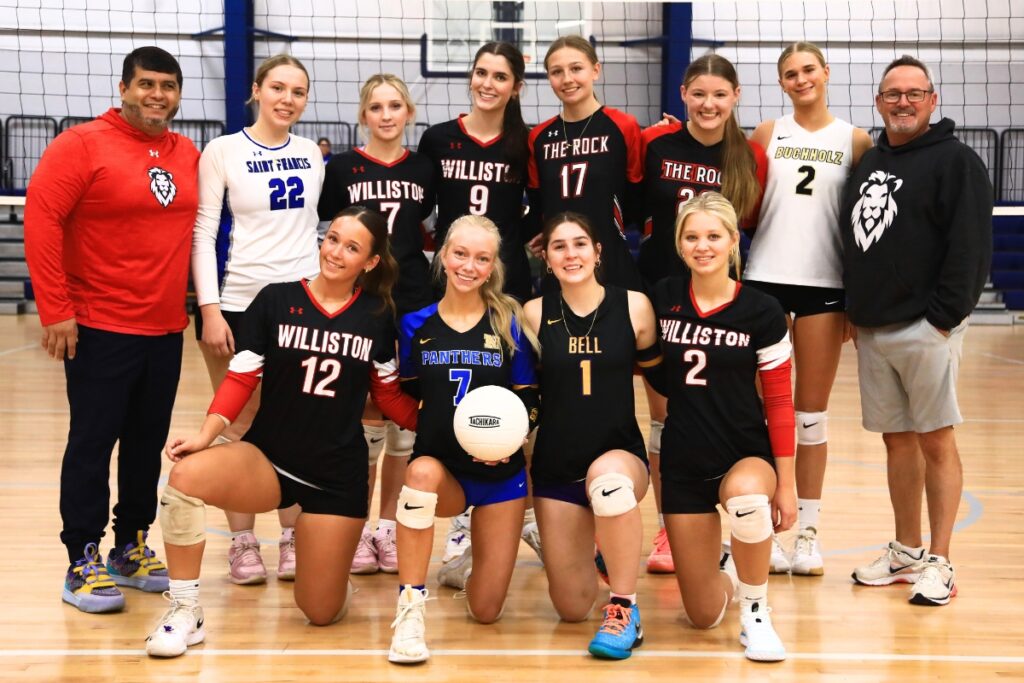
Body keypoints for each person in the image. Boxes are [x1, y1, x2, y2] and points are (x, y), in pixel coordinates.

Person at [144, 208, 419, 658]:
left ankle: (328, 572)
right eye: (333, 239)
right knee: (184, 479)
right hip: (269, 459)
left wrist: (438, 429)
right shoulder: (276, 299)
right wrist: (205, 435)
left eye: (352, 247)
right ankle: (185, 608)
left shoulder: (376, 315)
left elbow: (387, 396)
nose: (336, 252)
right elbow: (240, 378)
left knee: (319, 611)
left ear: (370, 262)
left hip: (336, 477)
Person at [24, 46, 199, 614]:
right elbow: (41, 220)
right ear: (123, 88)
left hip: (165, 328)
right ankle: (81, 557)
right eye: (146, 84)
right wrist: (55, 309)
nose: (157, 95)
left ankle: (130, 546)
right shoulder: (80, 144)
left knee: (146, 443)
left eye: (167, 86)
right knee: (93, 442)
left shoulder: (186, 152)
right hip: (99, 325)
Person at [842, 55, 992, 607]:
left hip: (926, 328)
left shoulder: (957, 162)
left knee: (935, 440)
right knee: (897, 441)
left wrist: (941, 321)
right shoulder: (870, 159)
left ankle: (941, 562)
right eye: (892, 93)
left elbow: (971, 249)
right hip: (875, 327)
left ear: (932, 100)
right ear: (879, 102)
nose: (902, 102)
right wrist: (857, 308)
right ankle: (906, 552)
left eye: (913, 93)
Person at [192, 54, 324, 585]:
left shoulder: (311, 153)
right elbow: (203, 233)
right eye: (277, 87)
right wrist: (209, 308)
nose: (287, 99)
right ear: (256, 90)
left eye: (298, 91)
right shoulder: (223, 150)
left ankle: (291, 537)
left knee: (294, 424)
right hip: (239, 303)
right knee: (236, 426)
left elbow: (316, 229)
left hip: (302, 306)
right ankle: (243, 543)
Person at [745, 42, 873, 576]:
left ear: (825, 72)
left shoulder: (855, 139)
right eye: (790, 74)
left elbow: (866, 223)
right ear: (781, 83)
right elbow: (741, 199)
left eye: (808, 70)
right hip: (764, 282)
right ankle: (765, 530)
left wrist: (858, 301)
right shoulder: (766, 133)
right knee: (761, 415)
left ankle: (808, 535)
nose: (801, 80)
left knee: (810, 416)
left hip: (825, 285)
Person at [388, 214, 539, 664]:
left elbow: (530, 400)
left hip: (500, 473)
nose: (469, 266)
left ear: (493, 267)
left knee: (486, 611)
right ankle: (410, 607)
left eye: (482, 258)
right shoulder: (415, 324)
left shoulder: (509, 321)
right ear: (443, 256)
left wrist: (508, 443)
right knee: (419, 473)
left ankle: (463, 564)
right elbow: (410, 391)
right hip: (443, 471)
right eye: (460, 254)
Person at [651, 192, 795, 662]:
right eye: (692, 237)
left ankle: (756, 612)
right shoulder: (664, 298)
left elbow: (779, 402)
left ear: (733, 241)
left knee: (749, 500)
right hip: (684, 462)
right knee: (702, 615)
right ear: (679, 244)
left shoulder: (763, 310)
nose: (703, 246)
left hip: (744, 454)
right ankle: (732, 578)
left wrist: (787, 485)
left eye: (714, 236)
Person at [638, 53, 768, 575]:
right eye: (698, 94)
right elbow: (630, 207)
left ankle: (745, 525)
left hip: (724, 302)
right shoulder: (656, 146)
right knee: (664, 417)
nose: (708, 104)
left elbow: (750, 225)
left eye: (719, 94)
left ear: (736, 96)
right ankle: (669, 528)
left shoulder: (750, 157)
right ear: (683, 96)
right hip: (664, 295)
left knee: (730, 413)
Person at [417, 41, 538, 566]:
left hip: (508, 287)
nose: (488, 83)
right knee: (450, 397)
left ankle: (517, 512)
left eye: (500, 76)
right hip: (454, 282)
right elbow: (418, 208)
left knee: (512, 399)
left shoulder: (526, 143)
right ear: (471, 77)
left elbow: (546, 208)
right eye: (481, 73)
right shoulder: (438, 138)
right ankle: (463, 519)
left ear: (516, 86)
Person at [523, 212, 660, 660]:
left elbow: (662, 381)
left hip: (619, 458)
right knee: (572, 607)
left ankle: (624, 607)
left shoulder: (635, 307)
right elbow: (524, 398)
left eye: (580, 243)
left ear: (598, 252)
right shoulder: (533, 314)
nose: (571, 254)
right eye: (559, 246)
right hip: (557, 467)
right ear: (547, 259)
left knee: (609, 483)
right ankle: (603, 549)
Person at [318, 73, 435, 576]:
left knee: (403, 422)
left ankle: (387, 528)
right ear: (363, 115)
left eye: (394, 106)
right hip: (359, 300)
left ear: (408, 112)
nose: (386, 115)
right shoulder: (342, 168)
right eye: (376, 107)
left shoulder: (425, 168)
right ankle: (356, 527)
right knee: (363, 417)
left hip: (411, 301)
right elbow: (329, 226)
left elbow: (427, 225)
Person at [527, 35, 644, 293]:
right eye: (557, 72)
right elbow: (539, 206)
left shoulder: (623, 126)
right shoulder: (539, 137)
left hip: (612, 261)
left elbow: (635, 197)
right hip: (561, 266)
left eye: (576, 68)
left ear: (595, 70)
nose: (567, 79)